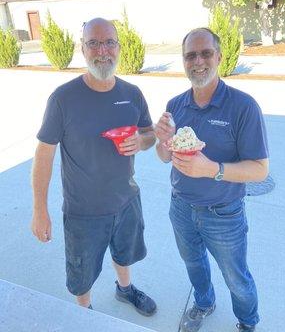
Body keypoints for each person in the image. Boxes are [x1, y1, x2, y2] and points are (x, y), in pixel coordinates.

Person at [31, 17, 157, 316]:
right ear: (83, 49)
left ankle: (125, 290)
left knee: (126, 254)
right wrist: (40, 210)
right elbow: (44, 154)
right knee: (82, 274)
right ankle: (85, 314)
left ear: (119, 47)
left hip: (127, 200)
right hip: (83, 212)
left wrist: (141, 141)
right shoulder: (63, 99)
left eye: (109, 42)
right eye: (94, 43)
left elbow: (150, 133)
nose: (103, 51)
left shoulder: (132, 93)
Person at [155, 28, 269, 332]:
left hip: (224, 213)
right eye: (191, 55)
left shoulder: (243, 106)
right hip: (180, 208)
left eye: (206, 53)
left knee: (236, 276)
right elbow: (165, 157)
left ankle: (247, 322)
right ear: (183, 60)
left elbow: (260, 170)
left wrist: (213, 169)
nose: (198, 61)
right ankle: (204, 302)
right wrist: (161, 140)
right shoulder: (175, 104)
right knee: (194, 265)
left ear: (219, 56)